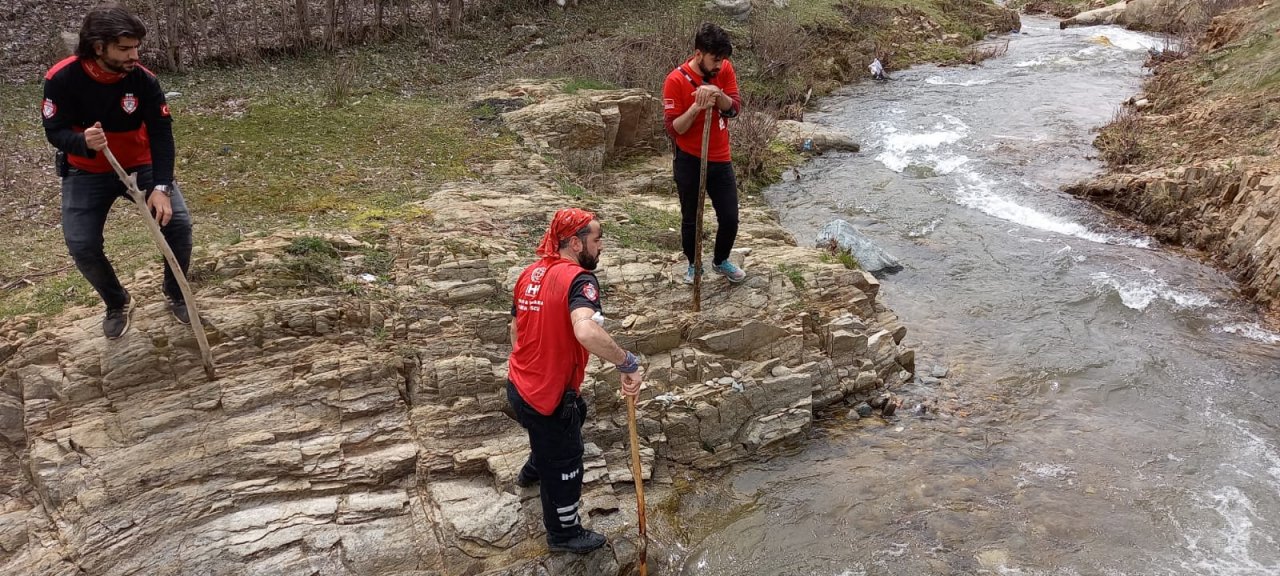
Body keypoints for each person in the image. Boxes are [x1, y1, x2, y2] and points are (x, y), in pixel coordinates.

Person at [41, 5, 193, 339]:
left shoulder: (143, 80)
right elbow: (54, 131)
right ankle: (116, 301)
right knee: (82, 244)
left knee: (178, 224)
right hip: (85, 172)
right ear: (99, 47)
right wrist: (82, 142)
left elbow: (161, 134)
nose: (134, 55)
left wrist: (162, 186)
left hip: (142, 165)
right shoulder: (61, 78)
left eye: (136, 46)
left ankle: (177, 292)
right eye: (125, 48)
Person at [507, 208, 644, 554]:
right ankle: (564, 532)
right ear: (574, 242)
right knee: (567, 461)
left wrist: (531, 366)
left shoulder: (529, 273)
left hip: (518, 386)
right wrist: (627, 363)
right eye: (596, 240)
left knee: (574, 414)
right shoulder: (579, 280)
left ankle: (535, 466)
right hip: (546, 398)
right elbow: (585, 330)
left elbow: (514, 330)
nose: (600, 248)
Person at [663, 22, 746, 285]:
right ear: (698, 54)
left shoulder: (725, 69)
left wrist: (717, 95)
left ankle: (720, 260)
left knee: (730, 216)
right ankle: (692, 264)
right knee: (692, 217)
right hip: (689, 158)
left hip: (720, 156)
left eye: (722, 59)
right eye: (714, 59)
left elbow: (734, 108)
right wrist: (696, 107)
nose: (719, 65)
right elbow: (675, 129)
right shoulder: (675, 80)